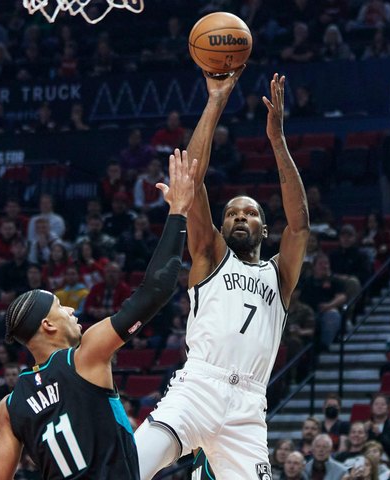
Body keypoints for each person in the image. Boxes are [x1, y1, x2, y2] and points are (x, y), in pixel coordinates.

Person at [0, 149, 195, 478]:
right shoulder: (85, 357)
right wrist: (178, 212)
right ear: (47, 325)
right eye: (61, 306)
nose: (72, 309)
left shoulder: (10, 406)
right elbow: (156, 290)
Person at [134, 72, 309, 479]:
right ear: (223, 226)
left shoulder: (279, 276)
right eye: (232, 213)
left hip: (249, 406)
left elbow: (299, 225)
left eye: (250, 213)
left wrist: (277, 140)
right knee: (128, 465)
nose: (240, 216)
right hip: (199, 387)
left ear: (265, 230)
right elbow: (191, 183)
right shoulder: (211, 256)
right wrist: (215, 101)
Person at [364, 394, 390, 460]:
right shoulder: (366, 426)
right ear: (371, 408)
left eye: (383, 404)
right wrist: (364, 433)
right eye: (376, 404)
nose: (379, 406)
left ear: (388, 408)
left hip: (388, 459)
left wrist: (380, 435)